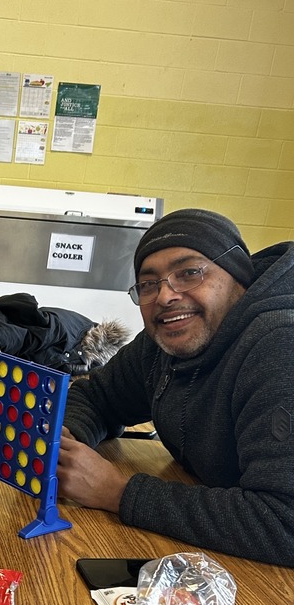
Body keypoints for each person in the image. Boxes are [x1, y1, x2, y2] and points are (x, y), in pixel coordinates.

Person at [56, 208, 294, 567]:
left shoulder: (279, 346)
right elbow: (99, 396)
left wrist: (118, 493)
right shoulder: (164, 339)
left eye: (189, 273)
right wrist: (68, 437)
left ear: (238, 278)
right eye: (149, 284)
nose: (165, 296)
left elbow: (284, 522)